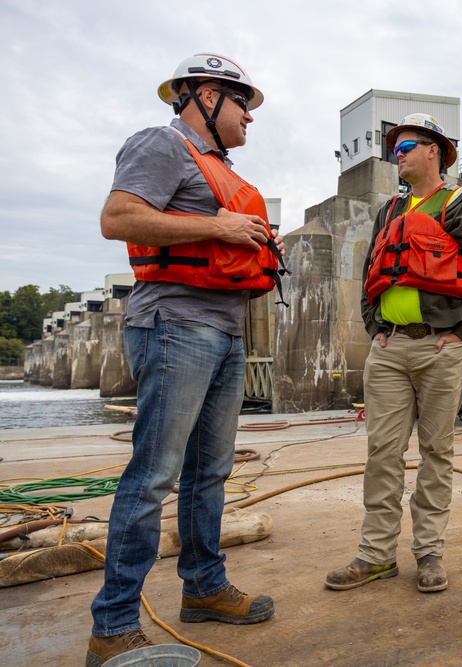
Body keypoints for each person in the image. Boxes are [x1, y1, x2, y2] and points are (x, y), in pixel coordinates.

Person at [88, 53, 281, 666]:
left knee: (210, 471)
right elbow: (116, 218)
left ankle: (203, 587)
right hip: (174, 326)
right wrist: (217, 231)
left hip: (224, 331)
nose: (251, 115)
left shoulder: (220, 169)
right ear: (203, 96)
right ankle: (114, 624)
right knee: (153, 476)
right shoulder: (161, 144)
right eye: (241, 102)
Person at [325, 113, 462, 594]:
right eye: (395, 148)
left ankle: (429, 553)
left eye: (406, 145)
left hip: (441, 346)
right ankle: (375, 555)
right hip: (390, 349)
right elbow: (371, 276)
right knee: (381, 452)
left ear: (435, 151)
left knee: (435, 452)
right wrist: (375, 329)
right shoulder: (389, 212)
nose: (397, 154)